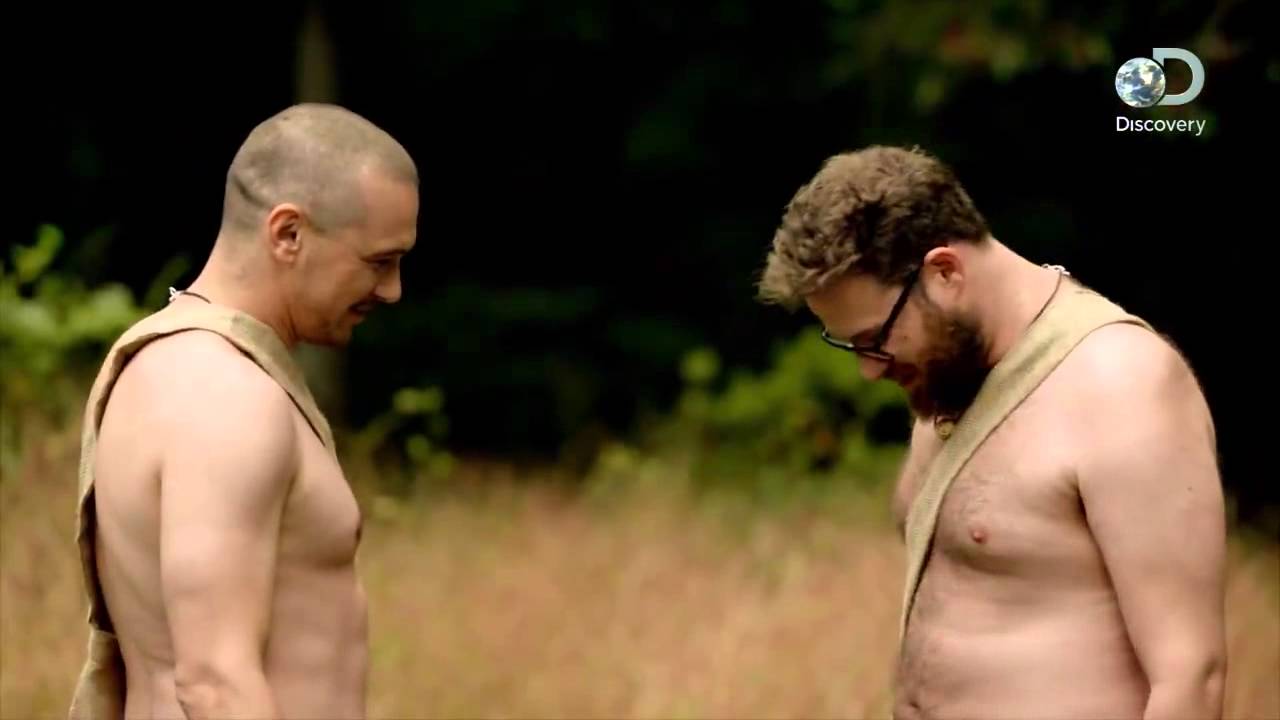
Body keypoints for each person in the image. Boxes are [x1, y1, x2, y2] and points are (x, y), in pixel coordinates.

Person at [757, 146, 1226, 719]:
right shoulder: (950, 372)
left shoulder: (1121, 383)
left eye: (873, 337)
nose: (868, 370)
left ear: (945, 272)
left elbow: (1191, 677)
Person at [68, 103, 419, 720]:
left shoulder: (179, 366)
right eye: (378, 262)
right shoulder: (224, 394)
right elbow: (214, 682)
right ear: (288, 234)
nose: (392, 290)